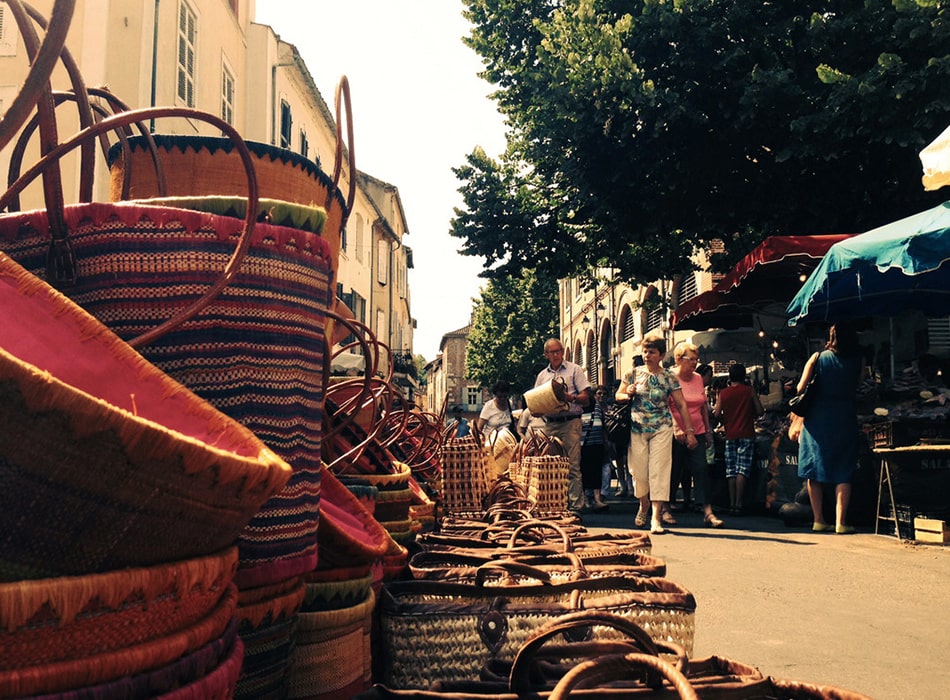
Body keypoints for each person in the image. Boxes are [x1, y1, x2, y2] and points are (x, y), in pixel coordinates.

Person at [616, 332, 697, 534]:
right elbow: (618, 395)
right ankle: (643, 504)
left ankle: (655, 517)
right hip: (637, 428)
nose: (647, 356)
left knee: (659, 471)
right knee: (640, 473)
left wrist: (689, 431)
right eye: (645, 352)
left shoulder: (669, 376)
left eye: (651, 352)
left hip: (662, 427)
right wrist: (628, 394)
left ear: (661, 355)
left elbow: (681, 404)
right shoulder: (633, 373)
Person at [796, 323, 864, 534]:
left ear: (831, 337)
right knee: (844, 470)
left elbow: (799, 388)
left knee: (814, 470)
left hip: (817, 420)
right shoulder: (859, 359)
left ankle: (818, 520)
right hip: (844, 417)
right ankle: (841, 523)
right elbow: (859, 384)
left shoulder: (817, 357)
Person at [668, 342, 723, 527]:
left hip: (697, 431)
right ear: (678, 359)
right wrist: (676, 427)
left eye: (696, 360)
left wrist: (708, 431)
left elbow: (702, 405)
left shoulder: (698, 378)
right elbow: (666, 406)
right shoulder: (669, 377)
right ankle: (665, 508)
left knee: (701, 470)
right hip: (675, 433)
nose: (694, 363)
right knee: (674, 471)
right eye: (691, 359)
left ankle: (708, 512)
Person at [534, 338, 591, 514]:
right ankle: (556, 504)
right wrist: (538, 408)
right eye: (552, 352)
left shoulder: (575, 370)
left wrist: (568, 397)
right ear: (546, 355)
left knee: (572, 465)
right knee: (551, 465)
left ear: (563, 351)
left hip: (570, 422)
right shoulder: (542, 376)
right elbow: (535, 406)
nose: (557, 354)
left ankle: (575, 507)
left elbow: (586, 399)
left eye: (559, 351)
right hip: (550, 424)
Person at [713, 363, 764, 515]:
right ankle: (739, 504)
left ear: (730, 376)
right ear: (744, 377)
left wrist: (726, 419)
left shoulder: (724, 393)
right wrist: (751, 414)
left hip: (730, 434)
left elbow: (716, 414)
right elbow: (760, 410)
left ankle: (731, 503)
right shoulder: (749, 391)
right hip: (747, 433)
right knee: (743, 469)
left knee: (731, 470)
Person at [580, 386, 611, 512]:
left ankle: (597, 499)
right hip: (581, 444)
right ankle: (584, 499)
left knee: (596, 471)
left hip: (597, 443)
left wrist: (605, 441)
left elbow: (603, 424)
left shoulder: (597, 406)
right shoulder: (577, 408)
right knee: (582, 472)